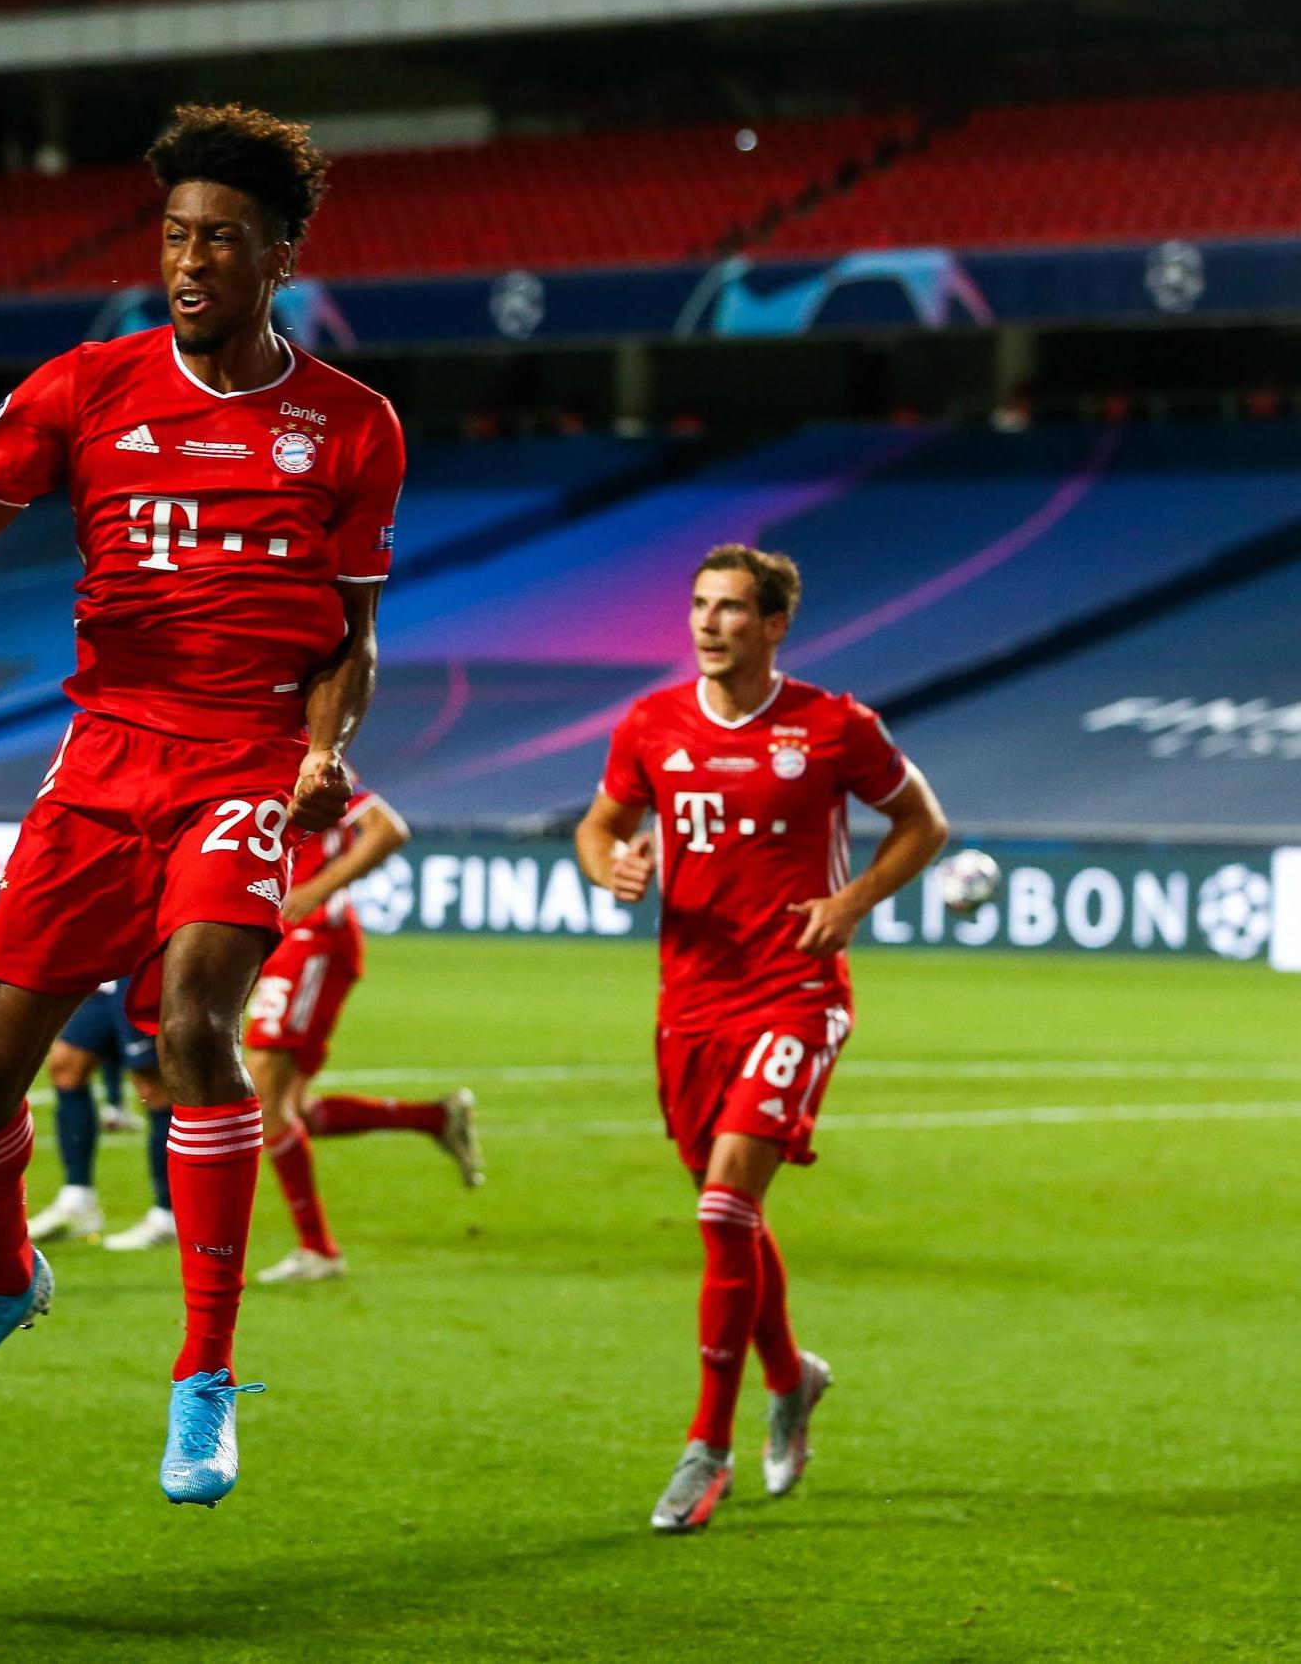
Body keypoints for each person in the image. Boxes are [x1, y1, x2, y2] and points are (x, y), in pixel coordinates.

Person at [0, 103, 404, 1506]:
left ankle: (204, 1376)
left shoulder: (350, 427)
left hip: (239, 761)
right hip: (102, 755)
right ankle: (6, 1278)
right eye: (174, 235)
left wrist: (321, 745)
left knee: (191, 1024)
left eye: (219, 239)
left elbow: (349, 639)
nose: (188, 260)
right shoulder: (84, 387)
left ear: (276, 256)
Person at [575, 544, 948, 1534]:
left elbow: (923, 821)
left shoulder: (832, 724)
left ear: (773, 623)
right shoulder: (650, 721)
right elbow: (598, 821)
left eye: (730, 608)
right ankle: (792, 1375)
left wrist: (853, 899)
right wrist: (609, 863)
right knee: (728, 1212)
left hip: (795, 991)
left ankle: (706, 1448)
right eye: (697, 604)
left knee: (721, 1200)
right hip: (688, 1002)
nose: (706, 622)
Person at [247, 779, 482, 1285]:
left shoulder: (307, 757)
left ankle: (318, 1249)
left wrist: (315, 889)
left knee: (266, 1095)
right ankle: (436, 1118)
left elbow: (386, 829)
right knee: (292, 1108)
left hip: (311, 939)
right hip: (291, 940)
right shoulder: (245, 748)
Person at [26, 981, 176, 1248]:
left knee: (154, 1086)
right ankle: (77, 1200)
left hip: (143, 974)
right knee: (66, 1065)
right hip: (110, 979)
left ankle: (169, 1215)